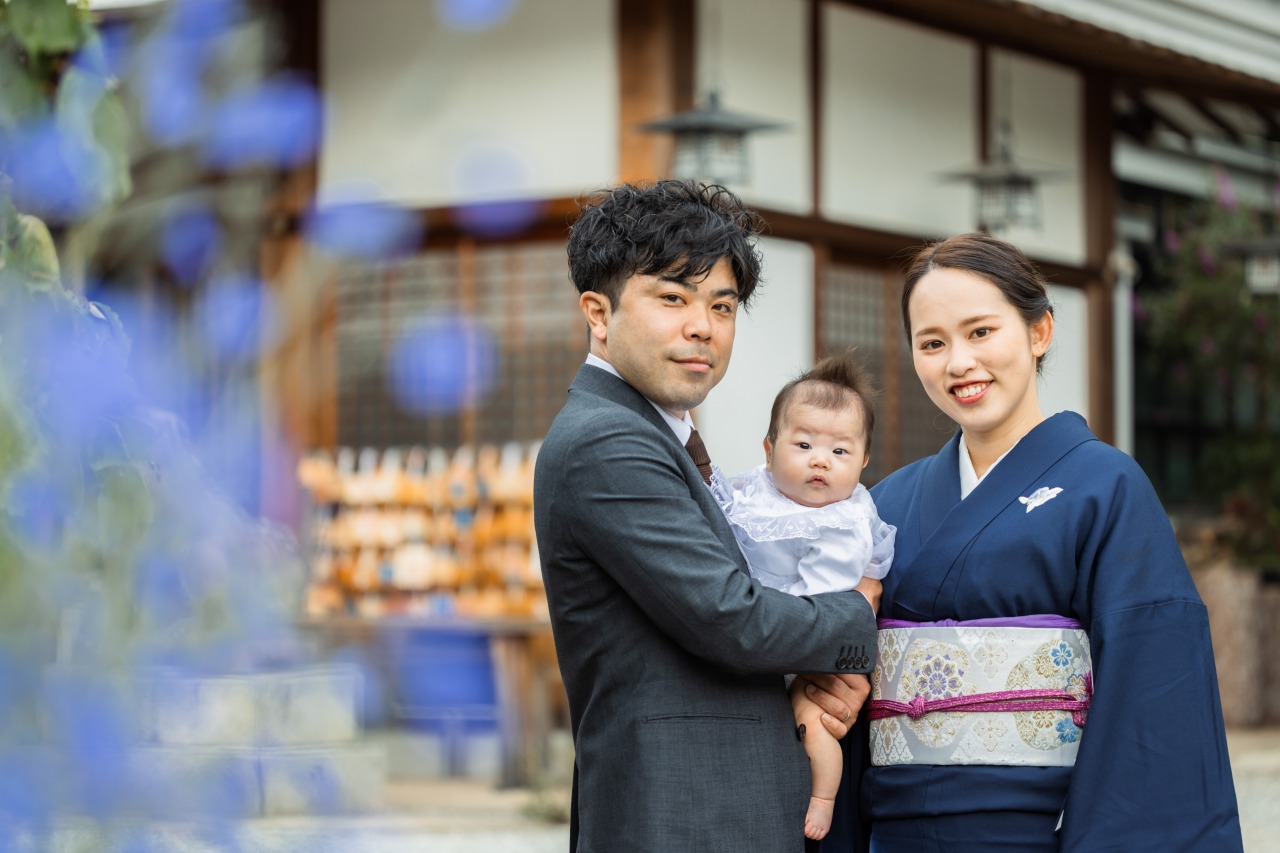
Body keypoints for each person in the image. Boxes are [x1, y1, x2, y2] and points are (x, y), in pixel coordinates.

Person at [804, 232, 1243, 852]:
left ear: (1039, 332)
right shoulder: (885, 504)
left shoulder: (1106, 488)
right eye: (932, 343)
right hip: (896, 834)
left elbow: (1152, 688)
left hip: (1039, 832)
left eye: (981, 332)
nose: (958, 362)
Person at [533, 179, 880, 853]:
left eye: (721, 305)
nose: (703, 326)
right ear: (598, 313)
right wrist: (858, 613)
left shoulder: (659, 432)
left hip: (715, 809)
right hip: (679, 813)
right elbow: (730, 615)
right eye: (672, 297)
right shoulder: (608, 440)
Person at [708, 353, 896, 841]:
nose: (820, 460)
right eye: (805, 443)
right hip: (761, 632)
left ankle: (823, 796)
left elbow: (822, 598)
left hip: (812, 641)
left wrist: (758, 607)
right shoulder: (758, 496)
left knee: (810, 718)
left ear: (863, 461)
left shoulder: (842, 523)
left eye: (840, 452)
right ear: (769, 449)